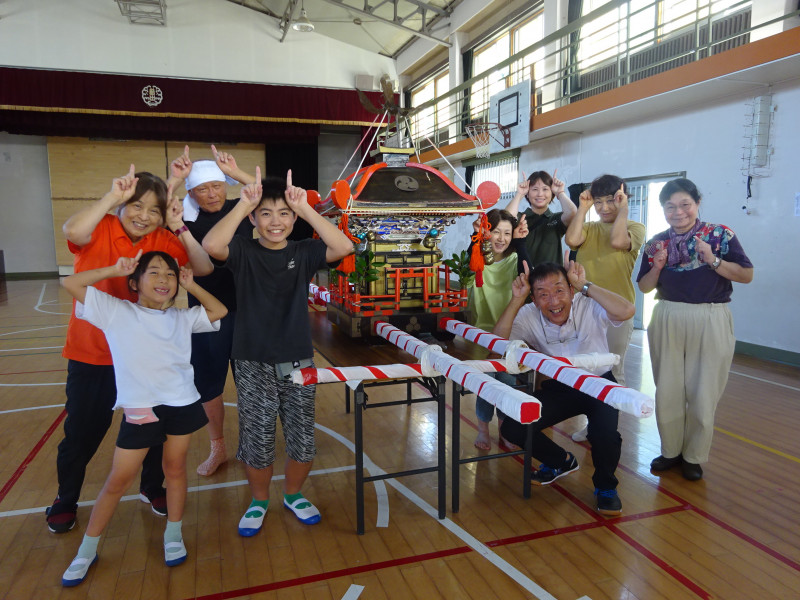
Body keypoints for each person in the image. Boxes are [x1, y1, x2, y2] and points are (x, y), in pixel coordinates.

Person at [47, 167, 214, 534]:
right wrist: (111, 197)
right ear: (123, 203)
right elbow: (72, 232)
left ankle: (152, 487)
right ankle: (66, 497)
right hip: (93, 353)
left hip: (146, 360)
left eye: (153, 210)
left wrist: (177, 225)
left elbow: (201, 267)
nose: (144, 216)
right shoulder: (101, 226)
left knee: (156, 430)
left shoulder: (161, 238)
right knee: (83, 431)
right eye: (136, 206)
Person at [60, 250, 227, 586]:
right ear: (134, 282)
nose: (163, 280)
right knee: (117, 481)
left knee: (175, 470)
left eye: (168, 274)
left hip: (180, 404)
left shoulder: (182, 317)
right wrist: (114, 267)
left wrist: (190, 284)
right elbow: (72, 282)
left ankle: (174, 534)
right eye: (153, 273)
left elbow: (218, 310)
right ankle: (87, 549)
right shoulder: (116, 312)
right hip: (140, 409)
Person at [203, 168, 353, 536]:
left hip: (298, 359)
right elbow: (212, 246)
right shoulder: (243, 250)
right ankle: (258, 500)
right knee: (258, 438)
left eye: (283, 213)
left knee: (302, 439)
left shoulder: (304, 252)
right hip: (252, 360)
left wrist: (306, 209)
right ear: (254, 217)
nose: (275, 221)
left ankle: (293, 494)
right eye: (266, 213)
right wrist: (243, 205)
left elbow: (343, 247)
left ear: (293, 218)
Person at [494, 256, 635, 516]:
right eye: (543, 294)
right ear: (534, 300)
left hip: (599, 383)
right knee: (513, 427)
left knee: (604, 436)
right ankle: (560, 461)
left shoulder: (588, 302)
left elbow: (626, 311)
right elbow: (496, 345)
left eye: (559, 290)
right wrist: (516, 299)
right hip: (562, 385)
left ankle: (606, 487)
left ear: (571, 290)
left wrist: (585, 285)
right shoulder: (528, 313)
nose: (554, 301)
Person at [637, 178, 753, 481]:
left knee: (704, 391)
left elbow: (746, 275)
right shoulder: (655, 243)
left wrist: (713, 260)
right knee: (669, 389)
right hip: (667, 315)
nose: (678, 212)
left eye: (685, 204)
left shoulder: (720, 235)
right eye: (670, 207)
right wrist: (658, 267)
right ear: (663, 210)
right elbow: (645, 287)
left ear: (697, 203)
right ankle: (671, 451)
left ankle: (694, 456)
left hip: (711, 316)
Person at [169, 145, 256, 476]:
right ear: (192, 192)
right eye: (201, 189)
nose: (210, 194)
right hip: (207, 314)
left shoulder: (243, 209)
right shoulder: (183, 221)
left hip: (249, 312)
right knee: (209, 384)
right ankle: (217, 446)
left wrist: (236, 172)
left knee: (251, 382)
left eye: (216, 185)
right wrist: (175, 180)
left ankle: (251, 444)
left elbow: (276, 197)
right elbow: (156, 206)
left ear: (225, 186)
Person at [565, 174, 645, 442]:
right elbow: (571, 240)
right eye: (599, 202)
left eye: (611, 200)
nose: (604, 207)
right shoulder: (589, 228)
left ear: (623, 200)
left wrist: (623, 211)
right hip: (584, 309)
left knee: (613, 372)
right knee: (588, 369)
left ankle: (606, 430)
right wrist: (584, 208)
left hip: (616, 311)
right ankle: (592, 425)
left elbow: (618, 242)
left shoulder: (635, 227)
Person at [467, 208, 529, 450]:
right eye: (495, 232)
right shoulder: (477, 257)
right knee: (487, 382)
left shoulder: (514, 260)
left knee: (507, 382)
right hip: (481, 331)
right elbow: (470, 263)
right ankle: (483, 428)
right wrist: (475, 238)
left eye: (507, 233)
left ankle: (505, 430)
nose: (501, 238)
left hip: (508, 331)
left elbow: (529, 274)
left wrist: (522, 242)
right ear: (486, 232)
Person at [515, 170, 577, 266]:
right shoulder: (520, 218)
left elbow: (573, 213)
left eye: (545, 189)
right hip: (524, 277)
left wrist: (560, 192)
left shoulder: (556, 219)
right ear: (527, 192)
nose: (540, 194)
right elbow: (507, 216)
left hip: (553, 278)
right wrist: (519, 194)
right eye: (535, 189)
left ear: (552, 192)